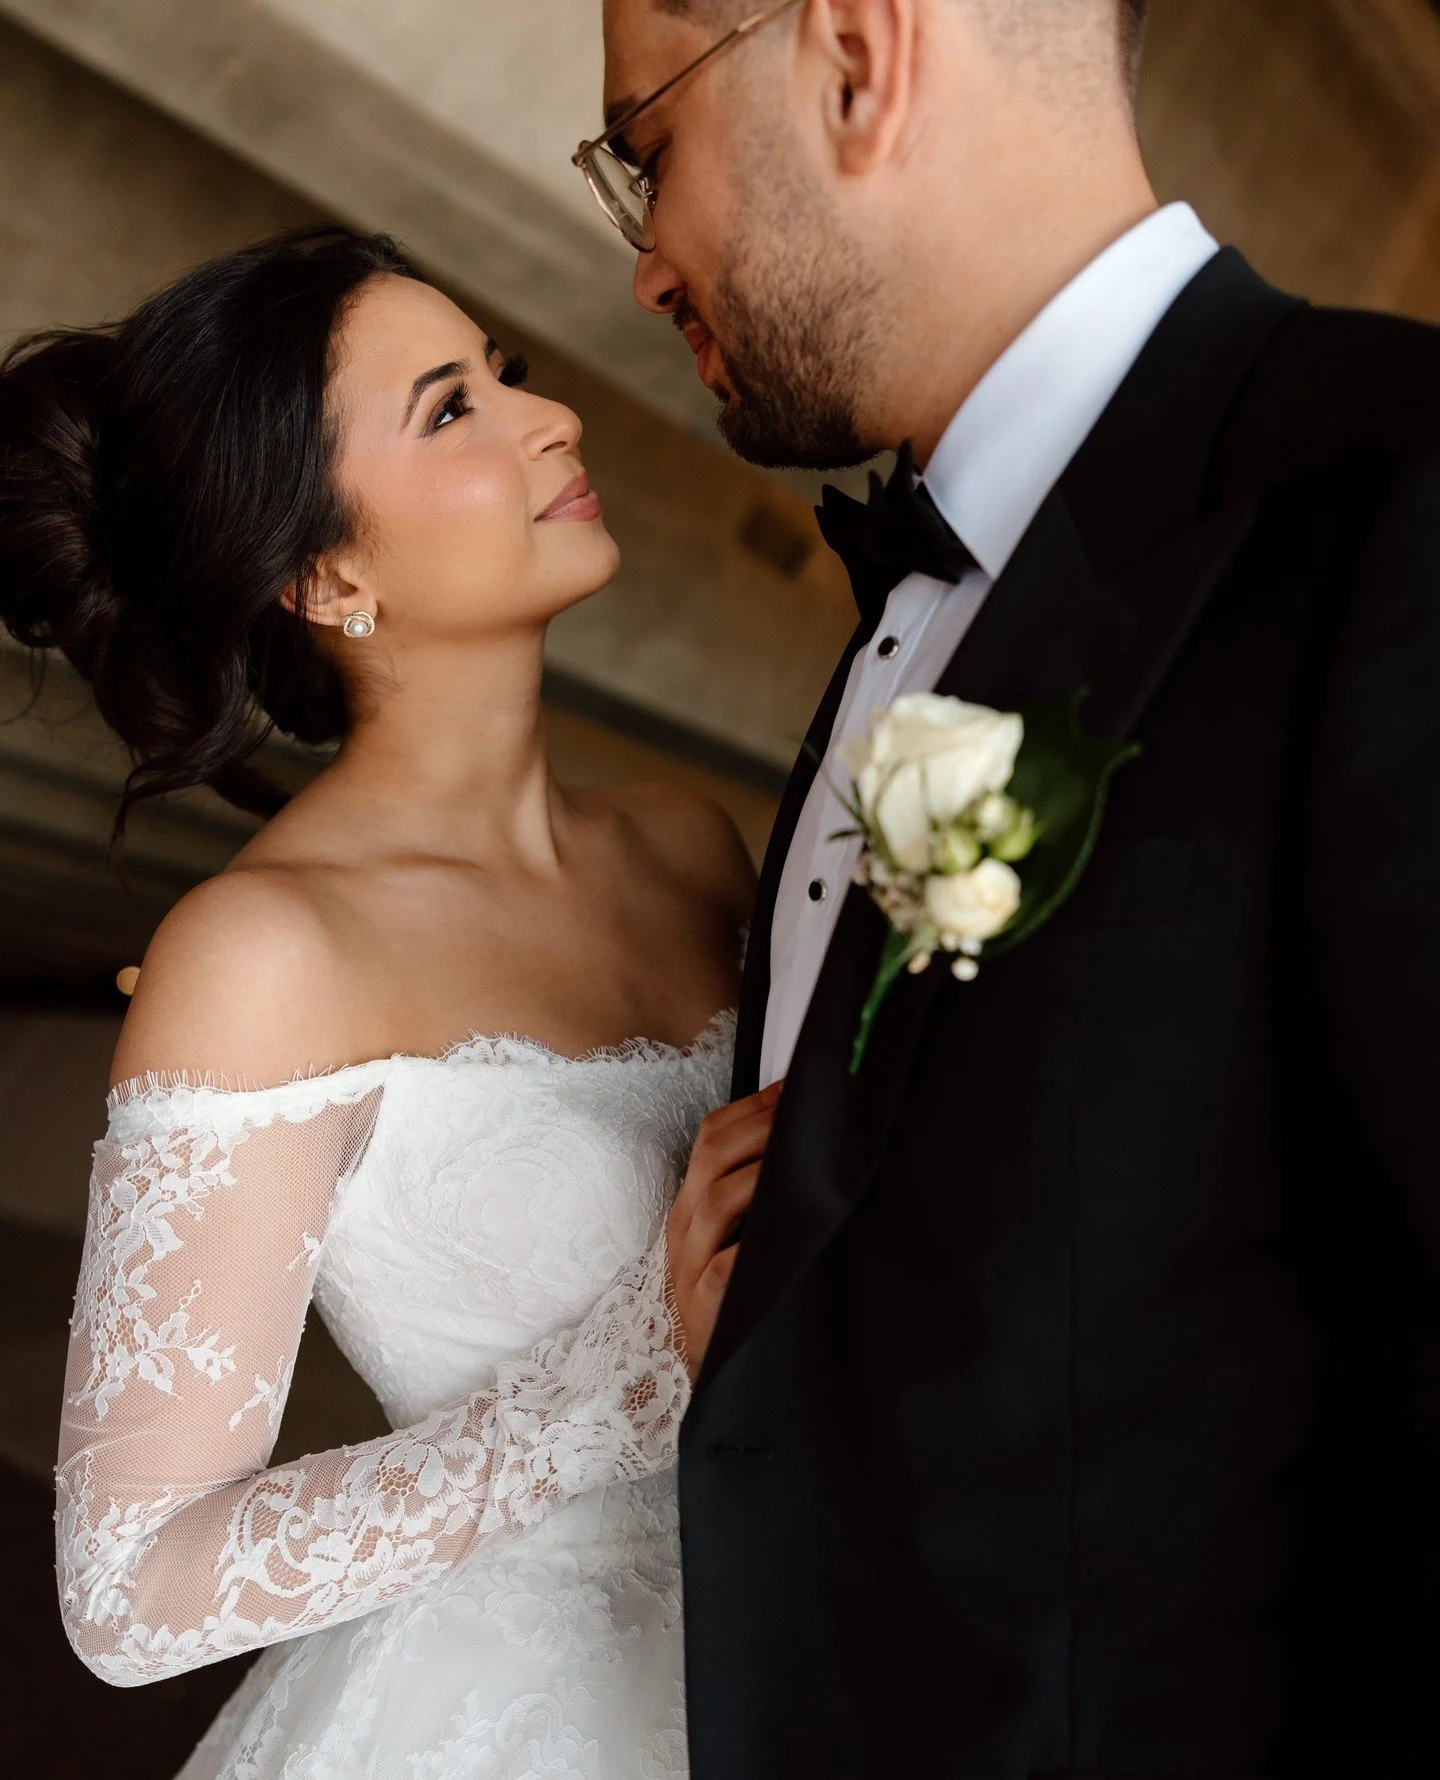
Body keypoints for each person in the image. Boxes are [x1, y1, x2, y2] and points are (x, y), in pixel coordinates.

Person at [587, 2, 1440, 1775]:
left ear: (856, 56)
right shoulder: (923, 593)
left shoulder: (1400, 494)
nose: (647, 260)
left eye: (646, 150)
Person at [0, 226, 770, 1778]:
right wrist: (626, 1377)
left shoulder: (689, 847)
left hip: (801, 1642)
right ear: (324, 573)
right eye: (451, 407)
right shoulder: (265, 952)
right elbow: (129, 1590)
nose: (552, 417)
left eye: (507, 373)